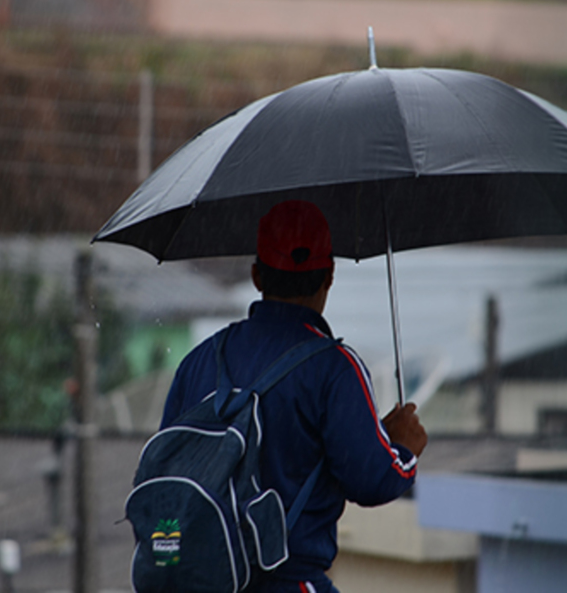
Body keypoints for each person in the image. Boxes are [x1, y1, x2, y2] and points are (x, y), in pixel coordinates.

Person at [161, 200, 428, 593]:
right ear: (330, 274)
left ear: (256, 275)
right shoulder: (335, 368)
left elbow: (166, 472)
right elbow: (372, 480)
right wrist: (403, 448)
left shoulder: (199, 361)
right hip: (286, 582)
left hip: (200, 581)